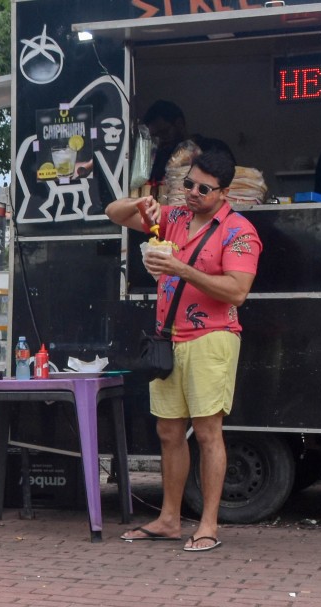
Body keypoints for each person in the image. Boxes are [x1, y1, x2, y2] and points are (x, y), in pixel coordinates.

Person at [106, 150, 262, 552]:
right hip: (169, 339)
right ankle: (169, 519)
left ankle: (208, 524)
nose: (192, 193)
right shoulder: (172, 217)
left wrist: (183, 270)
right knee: (168, 430)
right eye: (188, 184)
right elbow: (113, 213)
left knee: (209, 432)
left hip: (212, 338)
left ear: (224, 192)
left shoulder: (239, 231)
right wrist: (139, 203)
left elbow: (238, 291)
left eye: (203, 189)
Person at [142, 101, 234, 183]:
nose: (161, 139)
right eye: (155, 136)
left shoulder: (214, 148)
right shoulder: (158, 159)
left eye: (164, 132)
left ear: (179, 124)